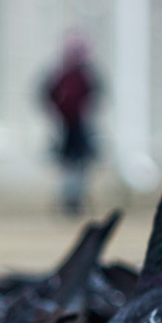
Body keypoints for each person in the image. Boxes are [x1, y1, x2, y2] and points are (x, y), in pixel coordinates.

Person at [43, 34, 102, 215]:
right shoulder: (64, 75)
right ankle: (70, 200)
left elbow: (96, 94)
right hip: (67, 127)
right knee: (69, 166)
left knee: (78, 165)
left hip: (79, 127)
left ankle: (75, 200)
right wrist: (58, 112)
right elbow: (47, 93)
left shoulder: (85, 75)